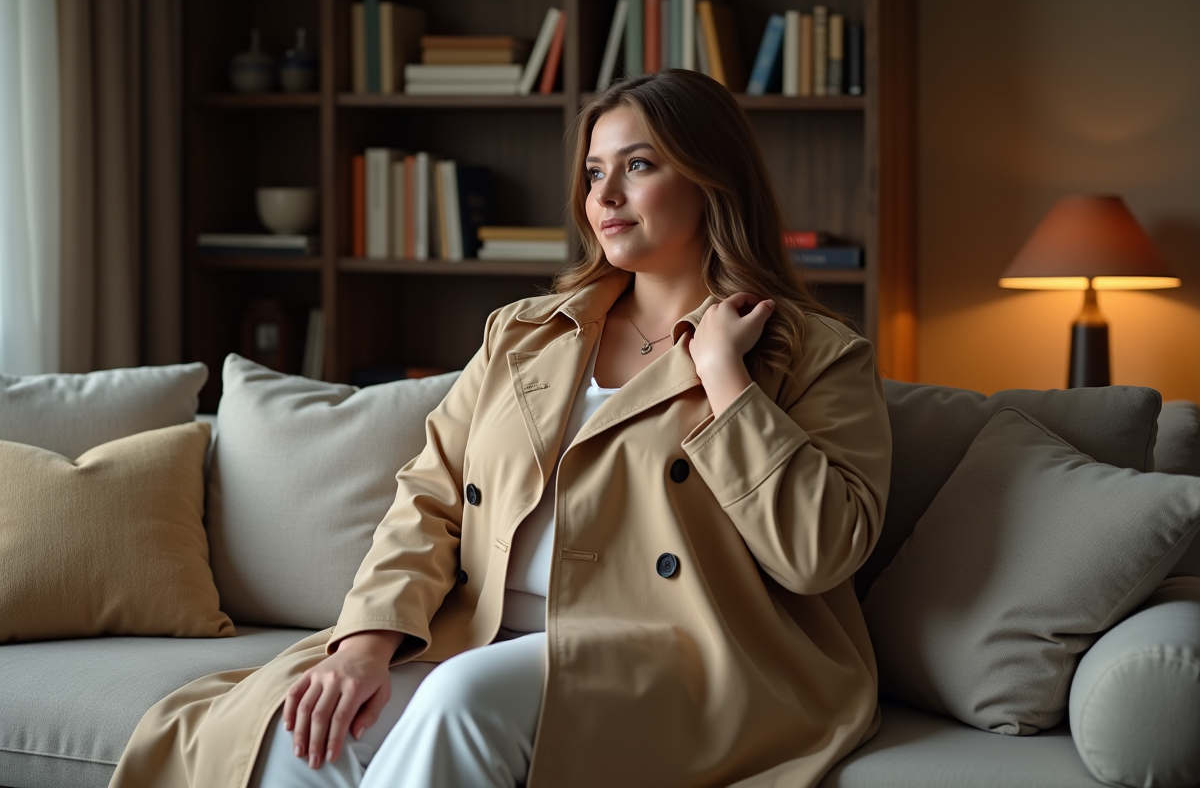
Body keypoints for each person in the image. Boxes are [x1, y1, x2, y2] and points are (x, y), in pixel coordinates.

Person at [110, 69, 891, 788]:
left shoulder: (811, 355)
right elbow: (431, 498)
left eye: (639, 166)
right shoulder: (525, 333)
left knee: (461, 700)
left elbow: (819, 554)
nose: (605, 196)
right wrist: (367, 643)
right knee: (306, 730)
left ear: (711, 177)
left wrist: (725, 376)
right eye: (594, 173)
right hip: (478, 627)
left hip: (680, 652)